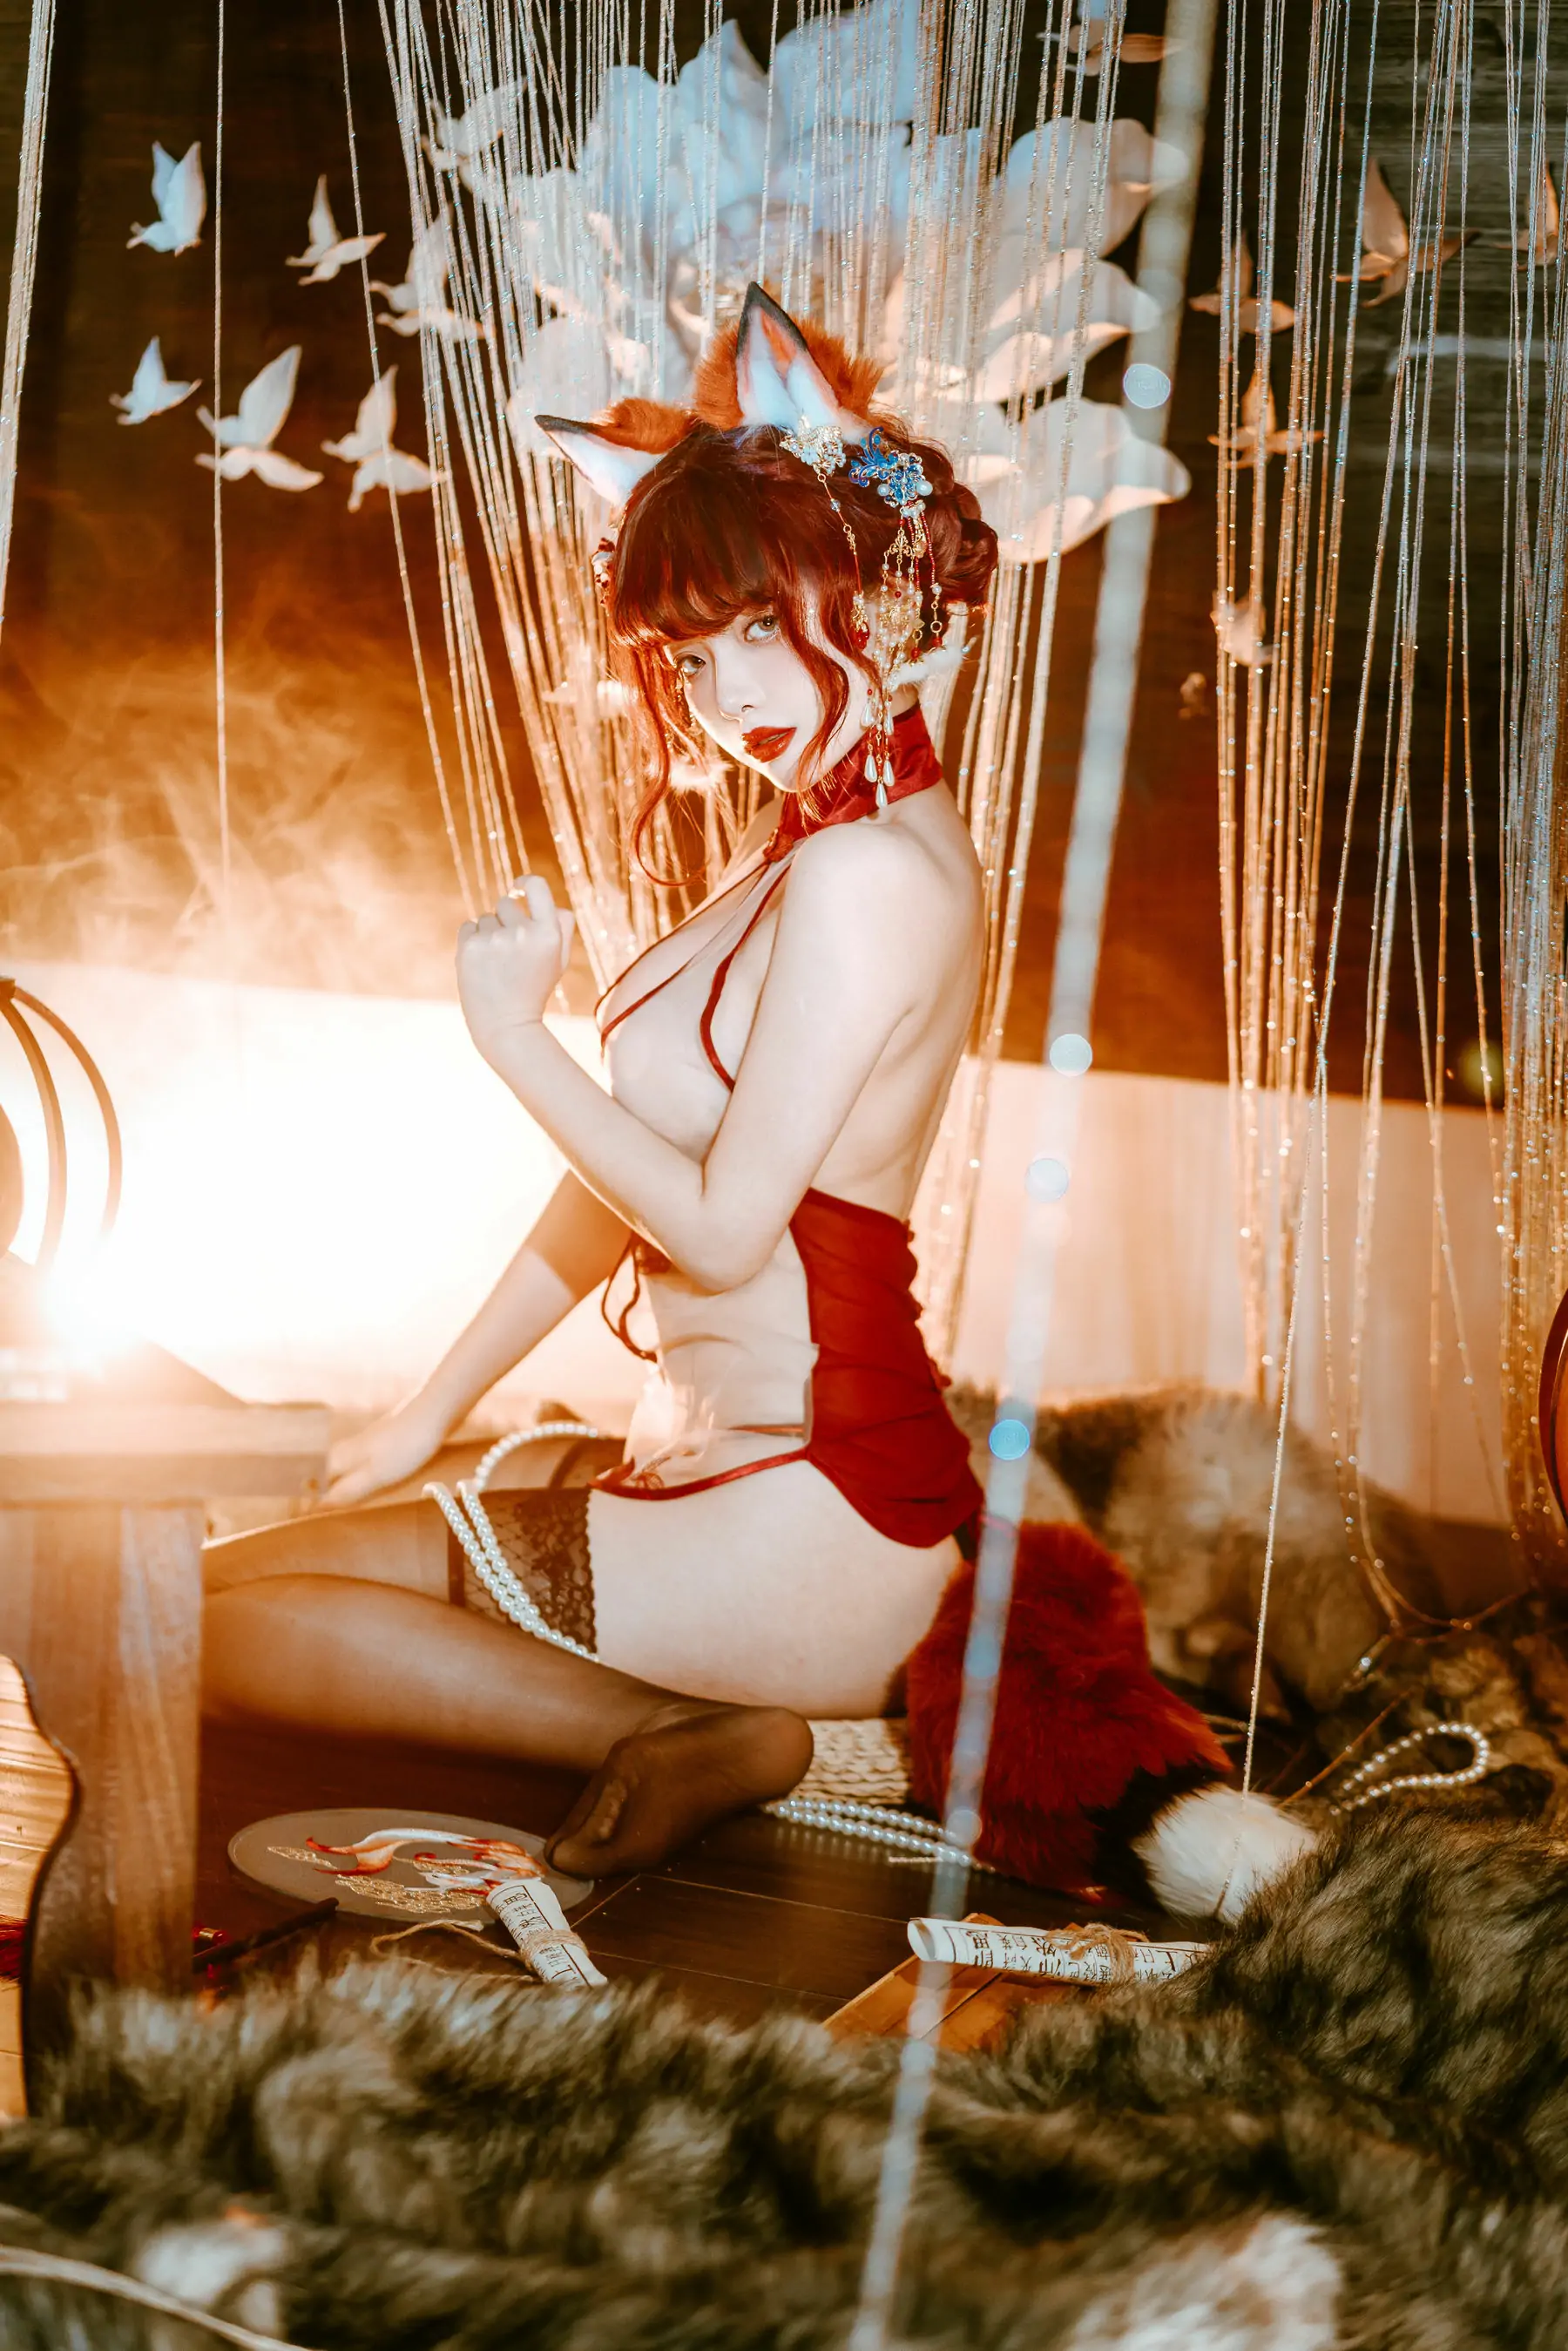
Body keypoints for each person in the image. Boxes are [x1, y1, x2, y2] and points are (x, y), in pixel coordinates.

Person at [203, 287, 1002, 1879]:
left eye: (762, 627)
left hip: (813, 1509)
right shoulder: (812, 842)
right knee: (210, 1585)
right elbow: (625, 1178)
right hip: (729, 1476)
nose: (727, 694)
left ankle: (673, 1732)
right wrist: (427, 1413)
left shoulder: (870, 875)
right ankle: (674, 1715)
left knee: (200, 1622)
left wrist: (514, 1040)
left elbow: (718, 1230)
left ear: (883, 593)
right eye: (693, 656)